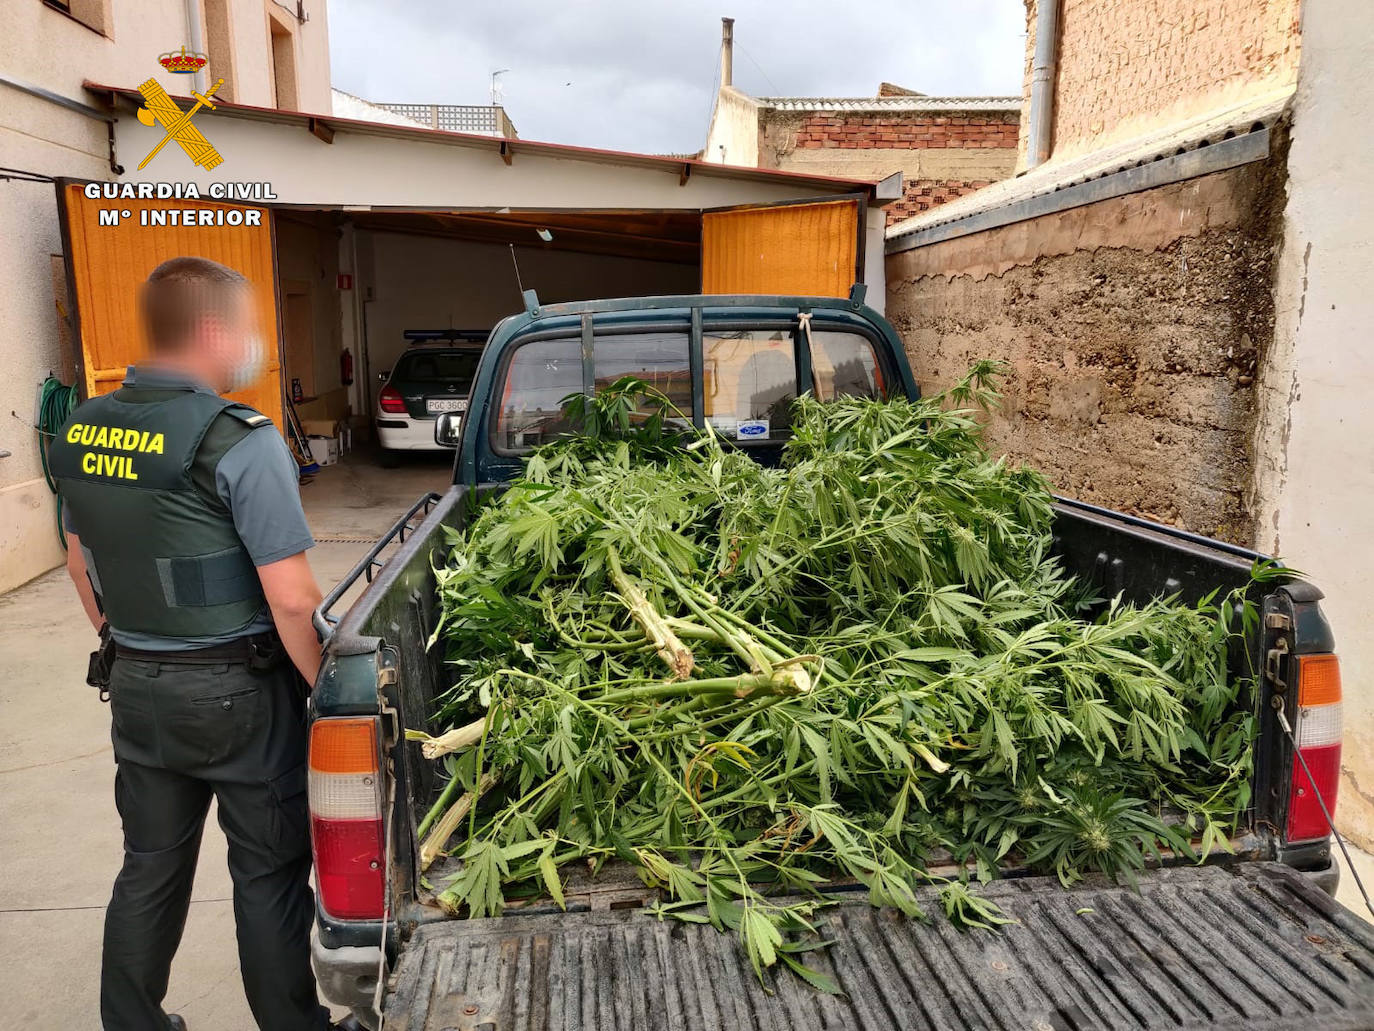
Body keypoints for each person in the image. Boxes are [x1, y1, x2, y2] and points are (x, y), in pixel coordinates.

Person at [48, 256, 335, 1031]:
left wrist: (128, 646)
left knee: (150, 865)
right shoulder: (236, 438)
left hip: (136, 688)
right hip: (239, 695)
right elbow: (292, 598)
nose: (254, 347)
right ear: (212, 331)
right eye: (247, 330)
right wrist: (328, 691)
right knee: (268, 872)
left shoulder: (81, 429)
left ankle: (132, 1021)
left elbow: (79, 562)